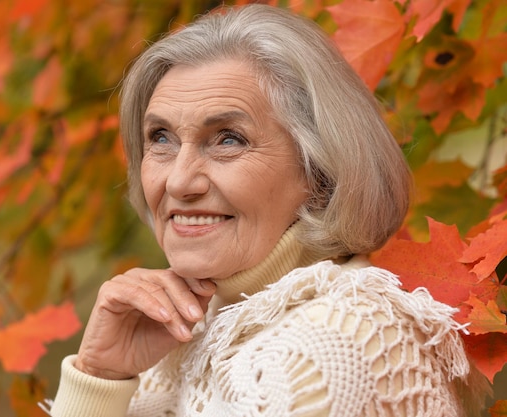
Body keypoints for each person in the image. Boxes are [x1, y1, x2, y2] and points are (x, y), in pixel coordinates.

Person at [45, 4, 489, 416]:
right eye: (161, 138)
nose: (178, 181)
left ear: (319, 170)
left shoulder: (339, 339)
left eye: (228, 139)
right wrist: (100, 380)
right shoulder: (177, 343)